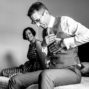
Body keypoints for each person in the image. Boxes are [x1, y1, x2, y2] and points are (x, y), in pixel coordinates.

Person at [8, 1, 89, 89]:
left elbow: (88, 35)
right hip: (51, 70)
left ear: (46, 13)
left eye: (38, 20)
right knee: (15, 80)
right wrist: (44, 45)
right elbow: (46, 60)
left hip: (71, 71)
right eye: (35, 22)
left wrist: (63, 43)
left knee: (46, 75)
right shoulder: (44, 32)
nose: (38, 25)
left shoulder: (65, 21)